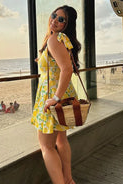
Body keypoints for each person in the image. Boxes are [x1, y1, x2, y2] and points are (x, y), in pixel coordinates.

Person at [31, 5, 81, 184]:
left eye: (61, 19)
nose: (55, 20)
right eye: (54, 15)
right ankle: (68, 180)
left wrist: (55, 98)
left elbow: (66, 69)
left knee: (46, 146)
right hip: (63, 95)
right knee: (61, 139)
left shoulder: (54, 39)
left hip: (53, 97)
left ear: (67, 24)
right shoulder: (63, 40)